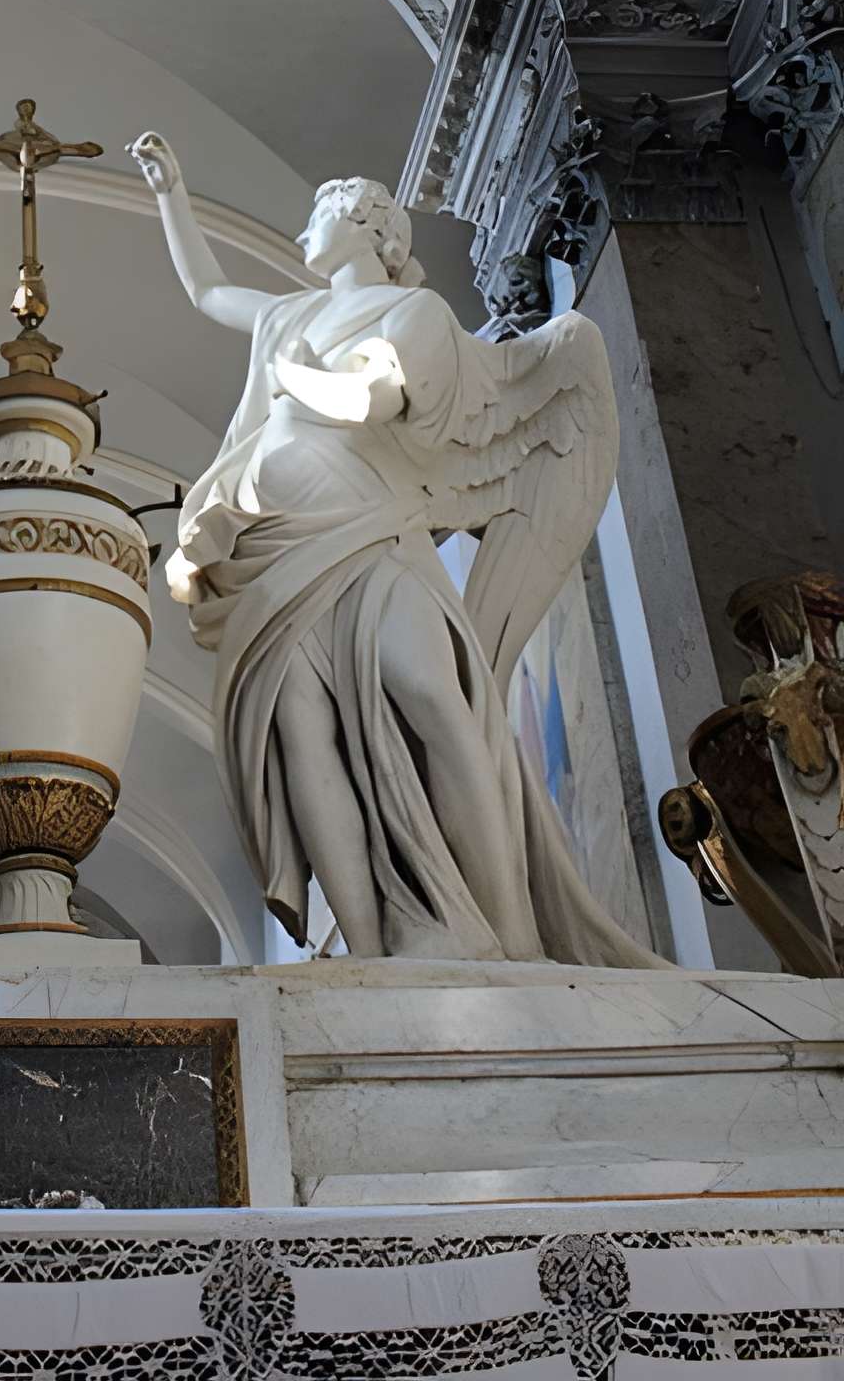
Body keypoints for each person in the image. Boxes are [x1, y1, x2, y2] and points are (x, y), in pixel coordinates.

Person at [128, 133, 656, 966]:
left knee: (432, 697)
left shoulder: (415, 315)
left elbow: (374, 400)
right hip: (270, 546)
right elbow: (206, 291)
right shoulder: (287, 317)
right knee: (302, 730)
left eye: (319, 214)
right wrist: (171, 192)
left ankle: (509, 934)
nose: (304, 229)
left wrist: (298, 379)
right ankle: (371, 956)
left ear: (370, 228)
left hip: (369, 528)